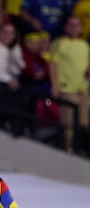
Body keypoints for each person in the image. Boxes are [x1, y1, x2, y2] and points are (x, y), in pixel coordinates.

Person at [48, 17, 90, 153]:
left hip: (82, 88)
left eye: (77, 25)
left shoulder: (84, 45)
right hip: (66, 88)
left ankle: (80, 148)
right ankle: (67, 148)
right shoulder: (60, 43)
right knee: (69, 123)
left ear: (80, 28)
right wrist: (54, 85)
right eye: (71, 25)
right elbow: (52, 64)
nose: (74, 28)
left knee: (84, 123)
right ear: (66, 27)